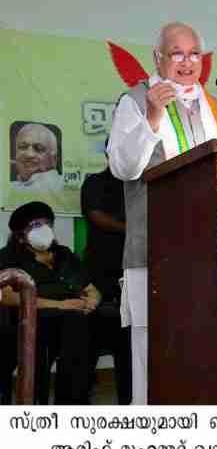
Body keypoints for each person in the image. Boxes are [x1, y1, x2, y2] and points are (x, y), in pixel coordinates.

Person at [108, 22, 217, 404]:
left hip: (206, 255)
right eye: (176, 53)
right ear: (157, 58)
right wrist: (152, 116)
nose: (186, 62)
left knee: (201, 352)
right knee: (153, 359)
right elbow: (124, 168)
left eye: (194, 53)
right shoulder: (134, 99)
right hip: (154, 252)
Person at [0, 201, 100, 404]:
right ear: (20, 236)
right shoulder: (9, 256)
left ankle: (72, 404)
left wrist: (91, 302)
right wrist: (61, 305)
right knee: (73, 323)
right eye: (35, 225)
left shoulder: (64, 255)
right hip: (30, 321)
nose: (43, 229)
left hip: (71, 320)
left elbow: (91, 289)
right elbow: (7, 296)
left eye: (46, 223)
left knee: (97, 323)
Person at [80, 143, 132, 405]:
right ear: (109, 154)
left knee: (128, 351)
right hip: (99, 278)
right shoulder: (95, 183)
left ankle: (128, 404)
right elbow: (97, 217)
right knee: (86, 350)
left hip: (130, 277)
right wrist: (133, 228)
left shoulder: (138, 182)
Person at [11, 123, 64, 192]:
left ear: (54, 159)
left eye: (39, 148)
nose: (29, 154)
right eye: (23, 147)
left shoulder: (60, 184)